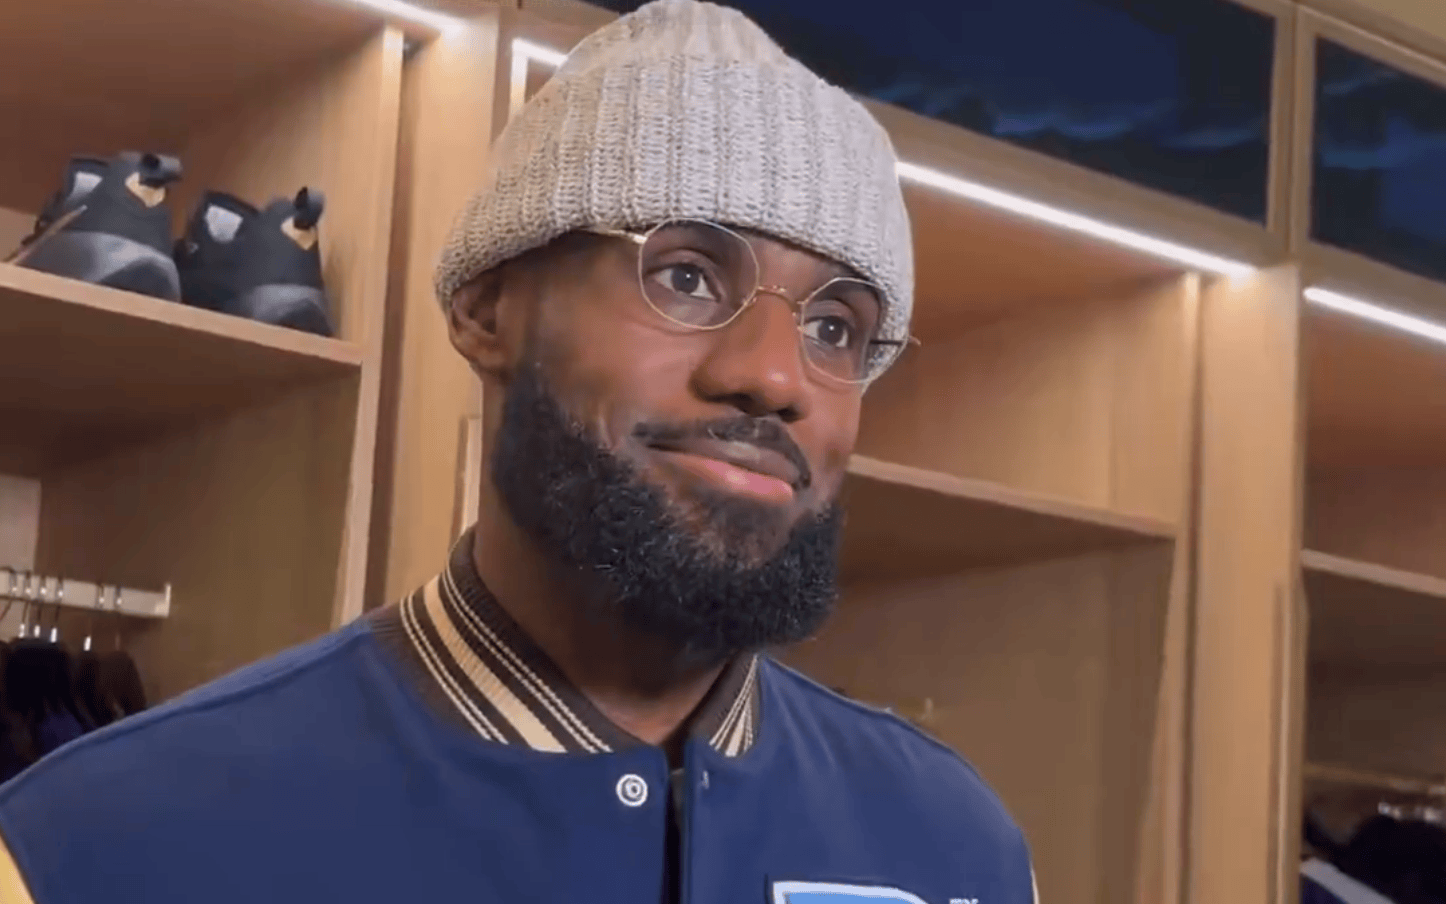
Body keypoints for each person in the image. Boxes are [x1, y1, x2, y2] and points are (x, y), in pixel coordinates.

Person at [0, 1, 1037, 902]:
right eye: (684, 275)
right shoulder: (92, 847)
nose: (774, 375)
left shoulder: (958, 846)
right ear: (487, 309)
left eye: (837, 328)